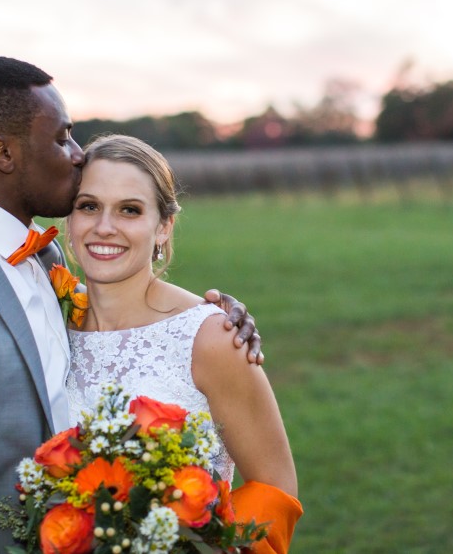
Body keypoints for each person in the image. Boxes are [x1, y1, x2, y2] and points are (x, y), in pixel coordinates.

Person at [0, 56, 262, 554]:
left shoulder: (46, 257)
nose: (76, 154)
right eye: (61, 137)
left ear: (163, 225)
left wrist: (216, 321)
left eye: (129, 210)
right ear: (3, 153)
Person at [64, 134, 302, 554]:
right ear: (70, 218)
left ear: (163, 227)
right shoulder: (49, 320)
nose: (104, 226)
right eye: (89, 206)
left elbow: (274, 487)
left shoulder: (211, 337)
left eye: (130, 210)